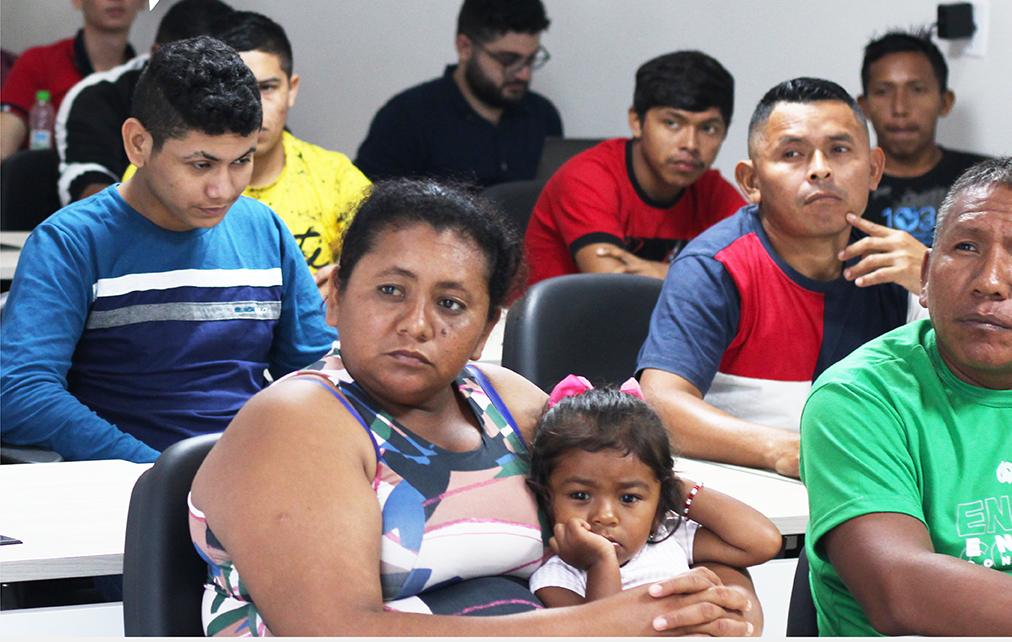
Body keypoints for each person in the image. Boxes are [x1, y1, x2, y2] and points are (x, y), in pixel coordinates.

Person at [189, 178, 763, 637]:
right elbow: (333, 631)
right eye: (391, 290)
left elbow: (656, 519)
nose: (417, 324)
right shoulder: (297, 418)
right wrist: (592, 627)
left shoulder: (504, 401)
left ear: (489, 326)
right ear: (334, 294)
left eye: (452, 303)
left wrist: (720, 603)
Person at [0, 36, 335, 463]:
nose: (224, 189)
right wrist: (156, 472)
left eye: (241, 162)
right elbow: (21, 394)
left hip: (252, 478)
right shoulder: (71, 242)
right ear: (139, 143)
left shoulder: (263, 228)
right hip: (128, 486)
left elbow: (317, 370)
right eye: (201, 165)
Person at [801, 156, 1012, 636]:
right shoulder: (858, 397)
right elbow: (902, 593)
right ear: (926, 277)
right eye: (967, 247)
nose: (989, 281)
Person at [638, 78, 924, 479]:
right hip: (746, 503)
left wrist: (937, 284)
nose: (821, 169)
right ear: (751, 182)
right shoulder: (716, 266)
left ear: (875, 169)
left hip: (866, 490)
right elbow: (659, 404)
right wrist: (785, 450)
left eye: (840, 150)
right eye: (793, 154)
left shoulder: (904, 265)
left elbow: (995, 384)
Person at [123, 11, 372, 295]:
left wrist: (349, 277)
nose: (252, 106)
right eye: (201, 166)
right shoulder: (157, 169)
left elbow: (389, 251)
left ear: (291, 89)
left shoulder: (333, 175)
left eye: (266, 88)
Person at [527, 375, 781, 607]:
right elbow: (606, 631)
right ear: (548, 499)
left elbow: (762, 542)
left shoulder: (665, 539)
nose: (605, 516)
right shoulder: (556, 577)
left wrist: (671, 489)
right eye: (580, 495)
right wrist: (600, 563)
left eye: (629, 497)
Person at [523, 50, 746, 286]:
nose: (690, 144)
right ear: (636, 122)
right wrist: (706, 275)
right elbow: (615, 285)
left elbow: (763, 273)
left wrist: (656, 271)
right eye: (672, 123)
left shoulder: (713, 192)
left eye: (708, 129)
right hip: (561, 321)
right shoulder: (587, 178)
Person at [354, 0, 562, 188]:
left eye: (530, 60)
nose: (523, 74)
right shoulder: (406, 118)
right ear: (465, 48)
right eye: (508, 60)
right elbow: (367, 211)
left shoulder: (543, 116)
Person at [56, 0, 234, 206]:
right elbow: (90, 190)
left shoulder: (248, 92)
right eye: (192, 71)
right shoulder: (100, 95)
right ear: (158, 55)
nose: (208, 86)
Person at [858, 29, 990, 247]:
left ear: (945, 102)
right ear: (864, 107)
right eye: (883, 91)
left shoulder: (986, 181)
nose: (900, 108)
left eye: (917, 90)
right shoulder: (842, 183)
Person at [0, 0, 142, 160]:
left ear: (143, 2)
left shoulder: (147, 79)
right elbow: (4, 145)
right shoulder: (38, 63)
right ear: (77, 1)